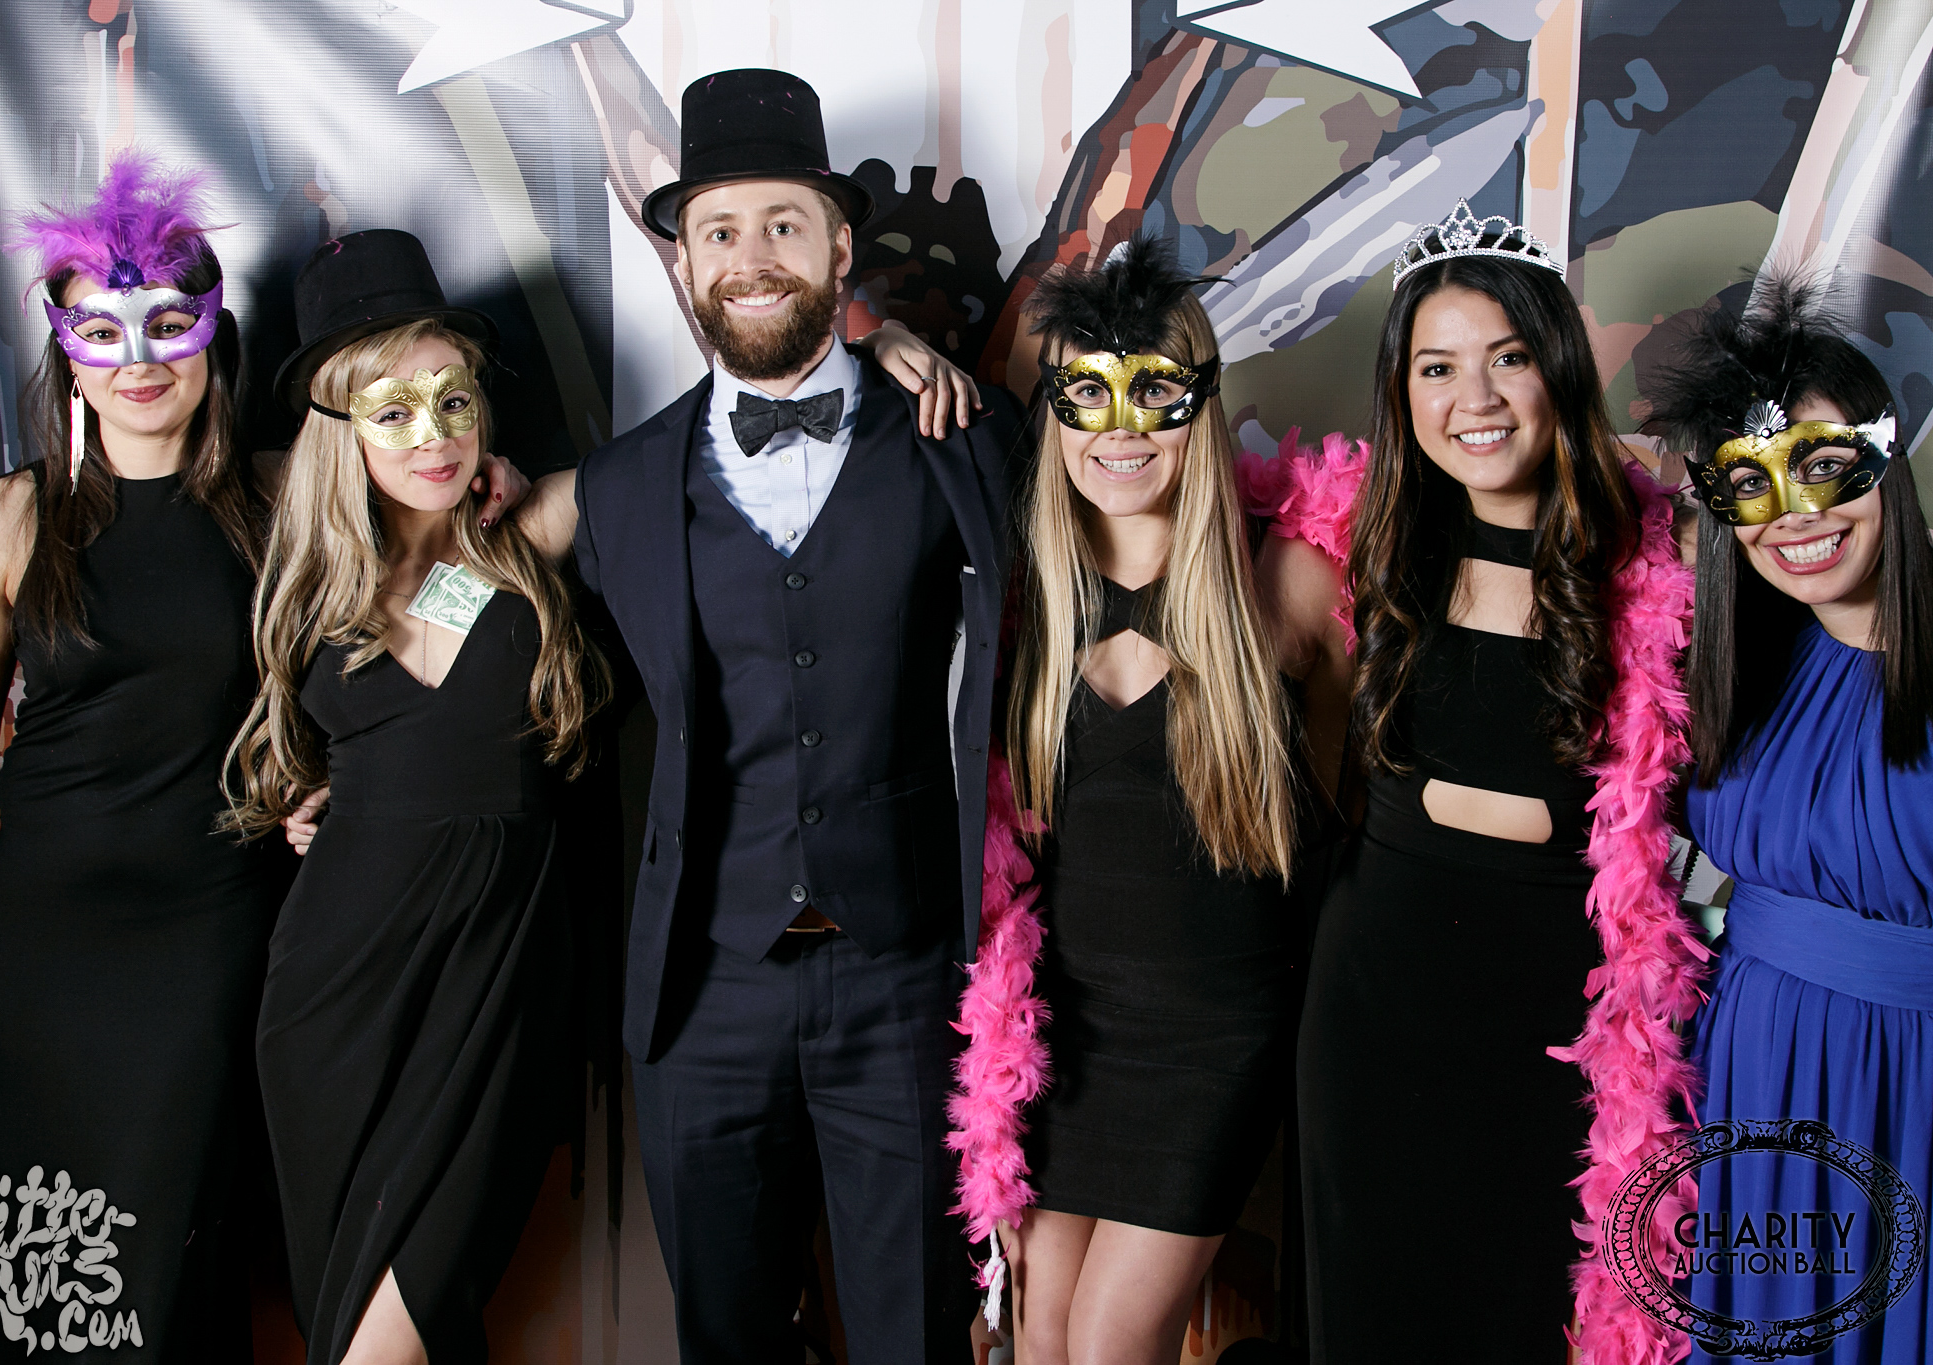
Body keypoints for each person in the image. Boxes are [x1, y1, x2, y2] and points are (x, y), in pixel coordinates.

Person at [565, 67, 1021, 1362]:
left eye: (782, 224)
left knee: (914, 1339)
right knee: (727, 1339)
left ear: (839, 251)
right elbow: (497, 640)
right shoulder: (616, 487)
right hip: (702, 990)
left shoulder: (960, 439)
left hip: (903, 981)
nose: (751, 257)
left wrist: (893, 342)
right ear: (685, 263)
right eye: (719, 230)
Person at [1292, 202, 1699, 1362]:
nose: (1472, 398)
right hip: (1375, 1005)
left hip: (1554, 1023)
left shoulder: (1658, 564)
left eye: (1506, 358)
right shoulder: (1358, 547)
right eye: (1435, 367)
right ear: (1400, 391)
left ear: (1555, 368)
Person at [0, 151, 278, 1361]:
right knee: (32, 1300)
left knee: (164, 1295)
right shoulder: (2, 521)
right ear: (65, 350)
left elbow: (445, 543)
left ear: (211, 333)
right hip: (33, 952)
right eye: (103, 332)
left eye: (168, 322)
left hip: (209, 944)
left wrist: (496, 476)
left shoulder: (284, 504)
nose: (140, 359)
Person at [946, 238, 1350, 1364]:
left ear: (1200, 405)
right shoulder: (1024, 606)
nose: (1118, 428)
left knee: (1110, 1347)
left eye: (1153, 391)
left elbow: (1354, 809)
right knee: (1040, 1345)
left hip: (1214, 1041)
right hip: (1066, 1042)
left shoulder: (1287, 586)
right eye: (1086, 394)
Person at [219, 228, 602, 1365]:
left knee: (403, 1325)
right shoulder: (313, 581)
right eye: (392, 411)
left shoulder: (522, 537)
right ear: (340, 430)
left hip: (496, 977)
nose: (433, 434)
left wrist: (873, 342)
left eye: (453, 401)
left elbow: (684, 452)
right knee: (352, 1329)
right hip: (334, 995)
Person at [1647, 278, 1933, 1362]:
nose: (1796, 514)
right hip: (1753, 1072)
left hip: (1912, 1089)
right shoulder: (1740, 668)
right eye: (1750, 483)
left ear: (1886, 460)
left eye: (1823, 465)